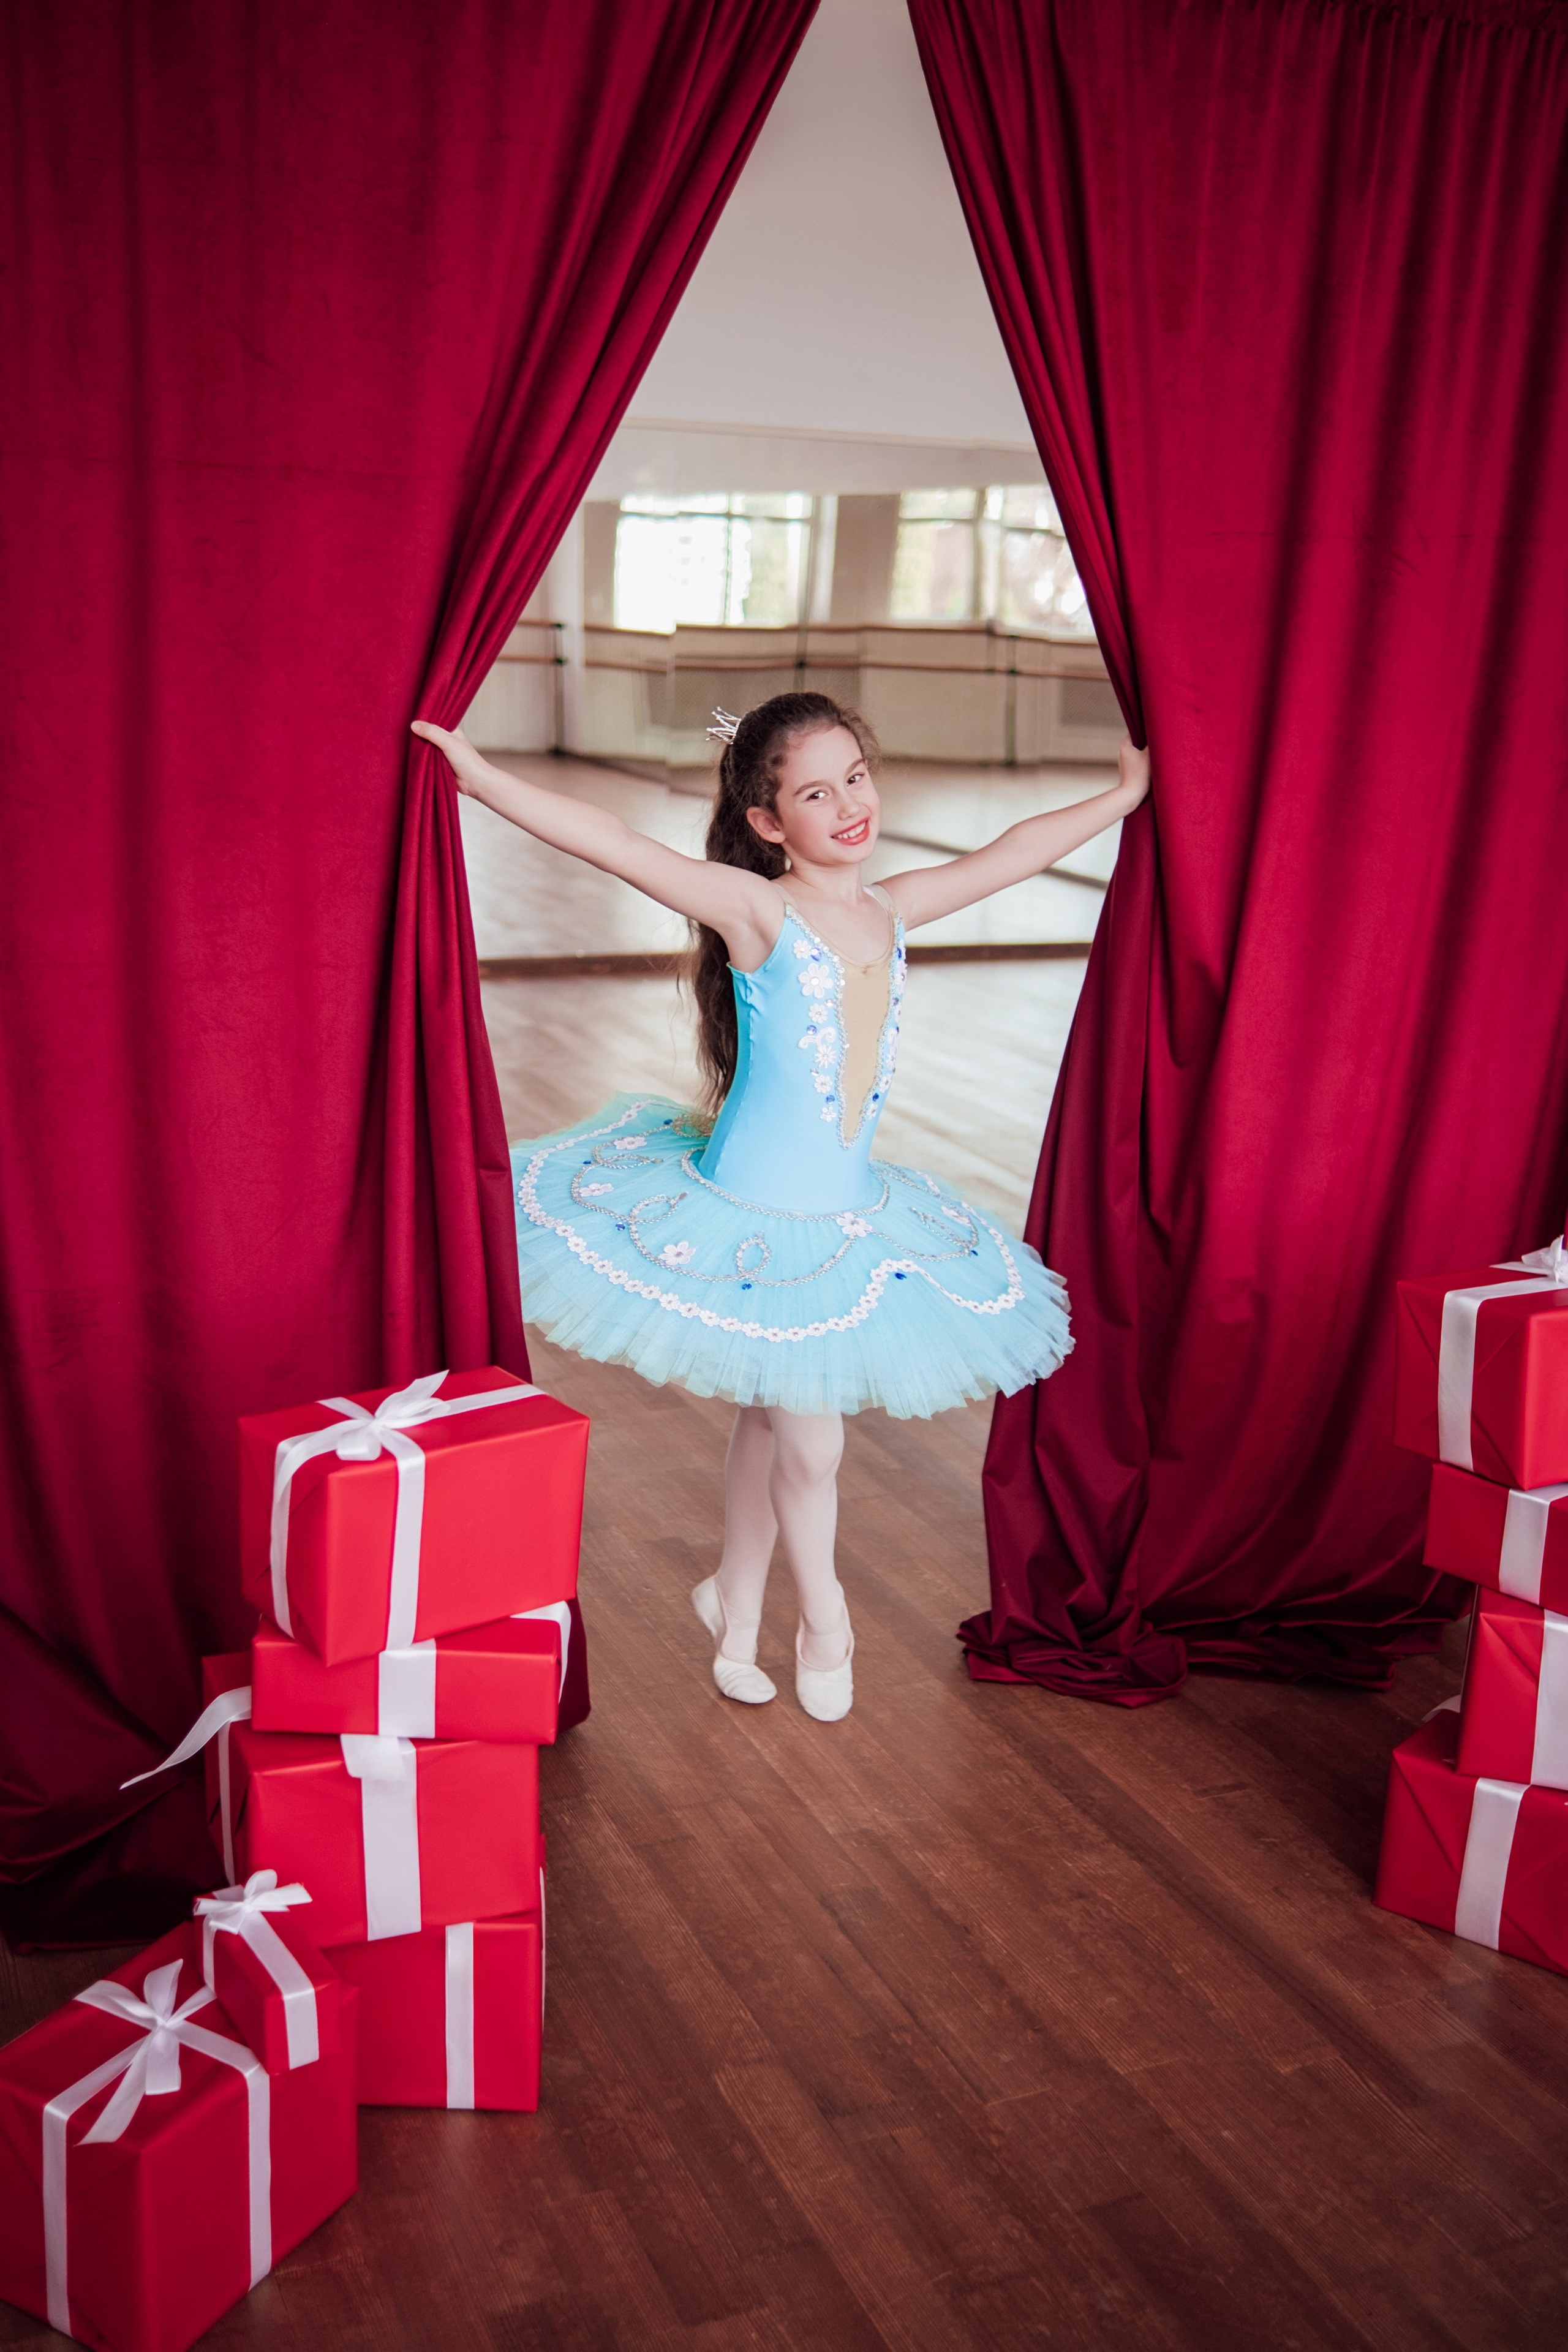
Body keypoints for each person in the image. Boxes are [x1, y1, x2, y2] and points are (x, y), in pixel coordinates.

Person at [412, 693, 1149, 1724]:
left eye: (856, 775)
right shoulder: (762, 910)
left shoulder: (891, 908)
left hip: (845, 1215)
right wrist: (482, 779)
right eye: (815, 791)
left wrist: (1122, 796)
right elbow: (620, 844)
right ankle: (826, 1618)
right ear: (769, 825)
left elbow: (1012, 851)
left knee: (771, 1412)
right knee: (813, 1446)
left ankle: (737, 1603)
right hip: (744, 1211)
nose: (849, 804)